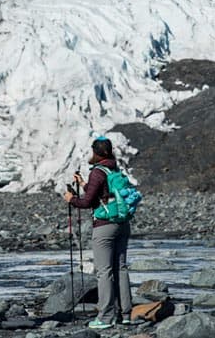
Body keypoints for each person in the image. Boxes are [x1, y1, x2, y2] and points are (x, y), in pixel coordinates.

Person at [63, 136, 133, 329]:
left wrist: (71, 198)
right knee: (121, 268)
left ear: (96, 153)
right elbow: (101, 194)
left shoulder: (97, 172)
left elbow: (87, 202)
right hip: (122, 223)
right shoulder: (114, 169)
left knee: (104, 272)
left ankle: (105, 317)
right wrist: (84, 184)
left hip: (104, 226)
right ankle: (125, 314)